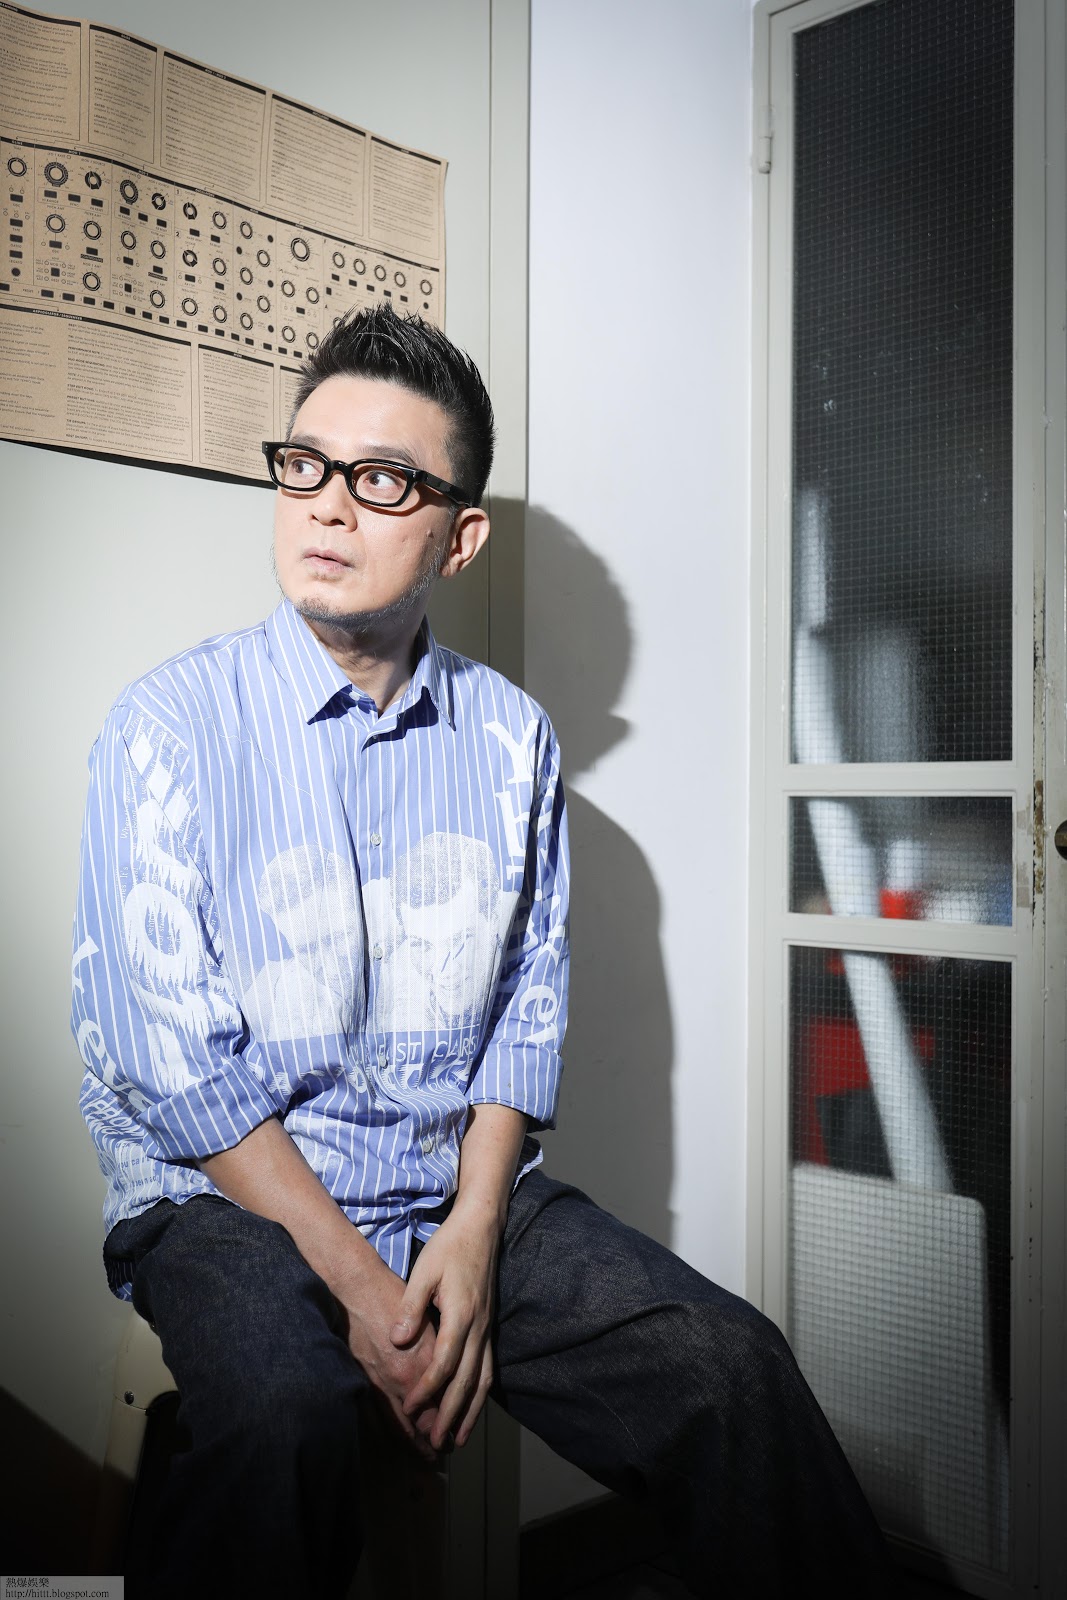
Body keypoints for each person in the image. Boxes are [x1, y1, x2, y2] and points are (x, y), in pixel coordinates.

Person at [72, 304, 891, 1597]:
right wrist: (369, 1296)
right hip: (226, 1202)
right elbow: (177, 1071)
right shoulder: (166, 725)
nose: (327, 504)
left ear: (459, 537)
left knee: (730, 1366)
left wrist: (472, 1228)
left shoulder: (513, 741)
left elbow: (525, 1012)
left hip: (447, 1187)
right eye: (306, 464)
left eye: (383, 480)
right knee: (287, 1417)